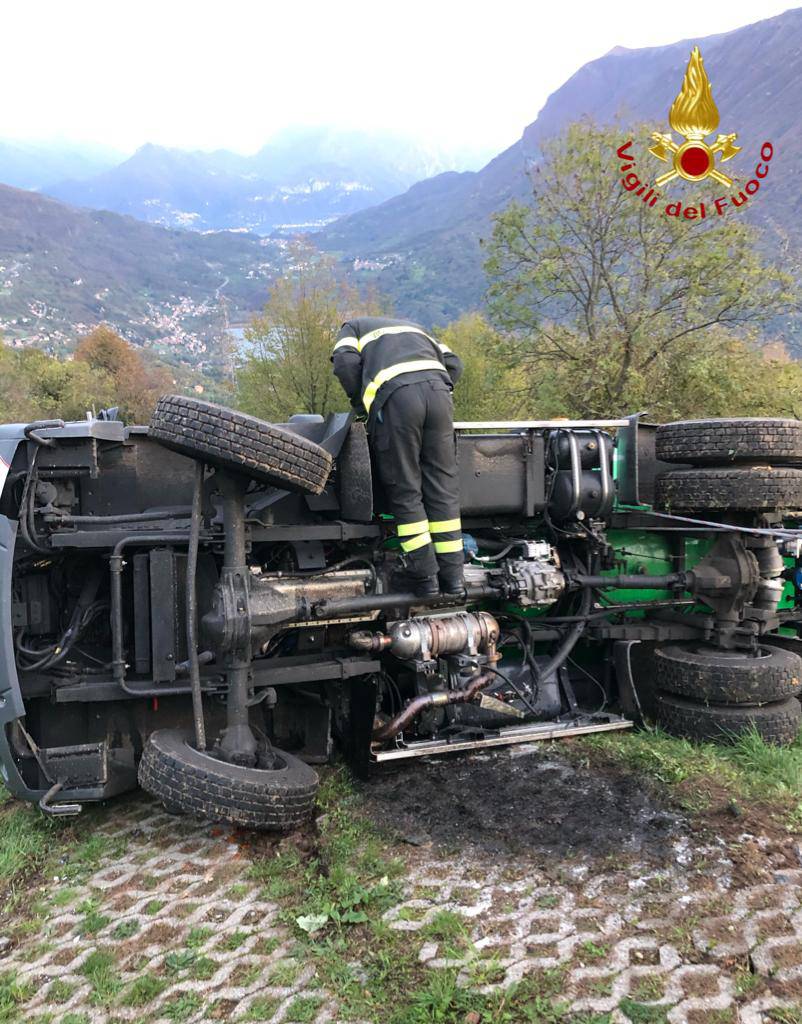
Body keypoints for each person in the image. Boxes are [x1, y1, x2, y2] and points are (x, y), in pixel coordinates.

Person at [332, 316, 465, 597]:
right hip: (440, 395)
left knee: (405, 488)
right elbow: (454, 363)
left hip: (398, 399)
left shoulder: (352, 328)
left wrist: (362, 405)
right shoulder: (416, 327)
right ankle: (454, 580)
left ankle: (424, 577)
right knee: (443, 490)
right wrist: (434, 386)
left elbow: (344, 364)